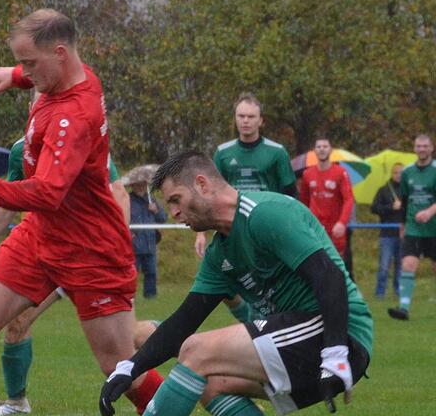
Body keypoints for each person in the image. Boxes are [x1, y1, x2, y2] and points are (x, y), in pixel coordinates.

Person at [0, 9, 163, 416]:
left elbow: (48, 191)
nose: (26, 71)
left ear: (58, 54)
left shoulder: (73, 116)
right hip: (40, 236)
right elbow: (48, 202)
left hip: (90, 249)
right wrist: (17, 75)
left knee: (120, 368)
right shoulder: (72, 74)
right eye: (22, 62)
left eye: (30, 64)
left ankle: (188, 402)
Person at [99, 151, 373, 416]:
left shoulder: (265, 213)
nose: (173, 213)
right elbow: (183, 322)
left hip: (339, 334)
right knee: (208, 383)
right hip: (303, 341)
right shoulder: (219, 253)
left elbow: (330, 277)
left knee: (197, 351)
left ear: (202, 184)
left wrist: (335, 353)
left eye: (175, 199)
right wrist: (129, 368)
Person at [0, 129, 131, 416]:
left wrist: (119, 247)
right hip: (46, 256)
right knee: (16, 321)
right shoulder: (19, 150)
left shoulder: (86, 141)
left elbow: (119, 194)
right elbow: (8, 202)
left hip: (90, 257)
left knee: (124, 348)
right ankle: (16, 402)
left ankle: (173, 351)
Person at [198, 93, 296, 322]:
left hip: (266, 228)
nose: (246, 120)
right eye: (241, 115)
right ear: (235, 119)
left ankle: (268, 325)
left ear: (261, 120)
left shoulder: (276, 152)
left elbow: (291, 196)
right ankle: (253, 321)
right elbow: (209, 195)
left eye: (251, 116)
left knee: (268, 283)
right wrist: (201, 233)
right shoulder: (223, 153)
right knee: (226, 280)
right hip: (232, 230)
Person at [388, 135, 436, 321]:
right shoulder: (407, 172)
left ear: (431, 148)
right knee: (408, 264)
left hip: (434, 228)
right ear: (414, 149)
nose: (422, 149)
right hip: (414, 228)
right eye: (418, 146)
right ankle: (404, 308)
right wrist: (402, 225)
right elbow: (405, 201)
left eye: (425, 146)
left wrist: (429, 212)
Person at [298, 138, 355, 277]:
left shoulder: (340, 172)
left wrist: (342, 222)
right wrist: (304, 222)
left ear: (330, 150)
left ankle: (343, 294)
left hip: (335, 227)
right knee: (316, 262)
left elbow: (349, 199)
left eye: (325, 146)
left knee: (337, 265)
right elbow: (303, 201)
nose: (322, 149)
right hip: (315, 227)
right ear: (314, 151)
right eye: (319, 146)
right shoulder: (307, 174)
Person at [128, 180, 166, 299]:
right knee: (131, 274)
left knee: (151, 273)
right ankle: (130, 297)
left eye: (143, 184)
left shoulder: (152, 200)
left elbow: (163, 218)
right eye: (137, 184)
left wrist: (156, 210)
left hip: (150, 244)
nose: (140, 187)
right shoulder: (127, 201)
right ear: (132, 185)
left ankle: (150, 297)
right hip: (133, 245)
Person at [371, 164, 405, 299]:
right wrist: (391, 207)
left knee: (400, 266)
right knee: (384, 266)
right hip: (387, 235)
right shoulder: (384, 190)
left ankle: (398, 291)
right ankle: (380, 293)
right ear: (392, 174)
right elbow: (374, 208)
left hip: (403, 233)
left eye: (401, 173)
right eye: (396, 172)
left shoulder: (406, 191)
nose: (399, 175)